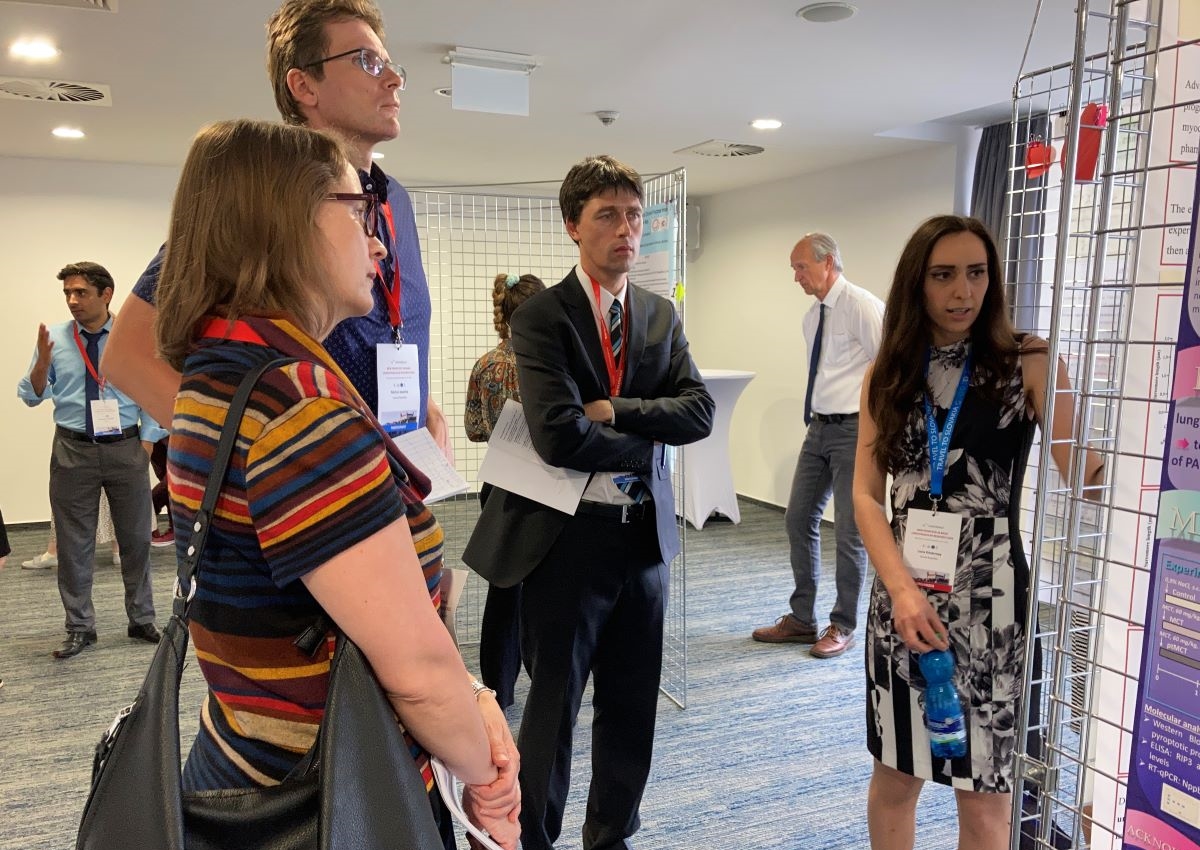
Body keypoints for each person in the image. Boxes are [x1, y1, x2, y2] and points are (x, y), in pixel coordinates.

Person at [155, 118, 519, 850]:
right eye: (357, 213)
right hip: (331, 794)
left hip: (248, 758)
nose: (378, 243)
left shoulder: (220, 373)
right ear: (286, 222)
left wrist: (473, 696)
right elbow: (414, 671)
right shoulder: (299, 410)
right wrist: (488, 780)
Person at [463, 155, 714, 850]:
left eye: (634, 215)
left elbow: (698, 413)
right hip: (566, 541)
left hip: (645, 538)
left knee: (632, 706)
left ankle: (610, 835)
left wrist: (617, 410)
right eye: (608, 216)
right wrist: (648, 434)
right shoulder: (542, 317)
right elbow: (559, 438)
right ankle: (533, 839)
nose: (627, 229)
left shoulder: (660, 314)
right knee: (553, 707)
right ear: (573, 225)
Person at [100, 0, 451, 460]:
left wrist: (423, 405)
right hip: (316, 486)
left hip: (401, 471)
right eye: (367, 61)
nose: (393, 79)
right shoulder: (268, 198)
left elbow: (388, 331)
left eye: (389, 64)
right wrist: (255, 453)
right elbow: (126, 355)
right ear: (303, 85)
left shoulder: (394, 200)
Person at [852, 215, 1104, 850]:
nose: (962, 291)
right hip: (903, 599)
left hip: (995, 607)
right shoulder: (888, 373)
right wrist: (901, 592)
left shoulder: (1029, 362)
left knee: (988, 797)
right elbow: (865, 495)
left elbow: (1083, 470)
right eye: (943, 275)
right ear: (917, 283)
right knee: (897, 777)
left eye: (976, 273)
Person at [17, 262, 165, 660]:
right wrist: (41, 366)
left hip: (126, 448)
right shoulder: (55, 338)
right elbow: (30, 395)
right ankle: (80, 627)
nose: (72, 300)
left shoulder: (131, 337)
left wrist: (146, 446)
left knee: (136, 540)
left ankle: (141, 619)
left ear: (106, 294)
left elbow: (151, 390)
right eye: (67, 293)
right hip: (73, 450)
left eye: (80, 292)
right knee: (73, 544)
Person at [752, 233, 884, 659]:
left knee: (848, 531)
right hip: (819, 428)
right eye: (794, 269)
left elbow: (889, 367)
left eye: (801, 267)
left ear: (827, 263)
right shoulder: (813, 317)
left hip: (854, 430)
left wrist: (878, 431)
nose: (796, 277)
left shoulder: (861, 306)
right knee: (798, 518)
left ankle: (843, 624)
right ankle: (801, 618)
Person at [464, 271, 545, 710]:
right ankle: (546, 683)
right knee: (546, 589)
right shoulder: (551, 367)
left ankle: (498, 687)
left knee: (503, 587)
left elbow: (474, 429)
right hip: (548, 486)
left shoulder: (486, 365)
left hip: (498, 485)